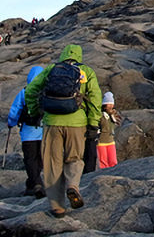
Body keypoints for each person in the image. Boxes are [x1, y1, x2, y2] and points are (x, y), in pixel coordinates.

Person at [25, 44, 102, 219]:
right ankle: (73, 185)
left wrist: (34, 111)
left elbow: (30, 90)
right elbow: (96, 99)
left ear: (63, 55)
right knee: (74, 158)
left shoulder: (52, 69)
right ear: (79, 56)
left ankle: (57, 207)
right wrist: (93, 124)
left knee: (52, 164)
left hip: (52, 123)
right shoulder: (86, 72)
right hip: (77, 123)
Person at [7, 66, 46, 198]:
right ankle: (33, 183)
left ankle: (35, 184)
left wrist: (11, 123)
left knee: (30, 159)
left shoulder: (24, 92)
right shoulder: (46, 91)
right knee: (40, 160)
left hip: (28, 133)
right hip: (44, 131)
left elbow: (15, 110)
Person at [97, 92, 120, 169]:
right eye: (108, 104)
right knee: (103, 162)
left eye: (112, 104)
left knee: (113, 162)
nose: (111, 106)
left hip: (111, 140)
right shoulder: (100, 115)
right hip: (101, 141)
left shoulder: (113, 115)